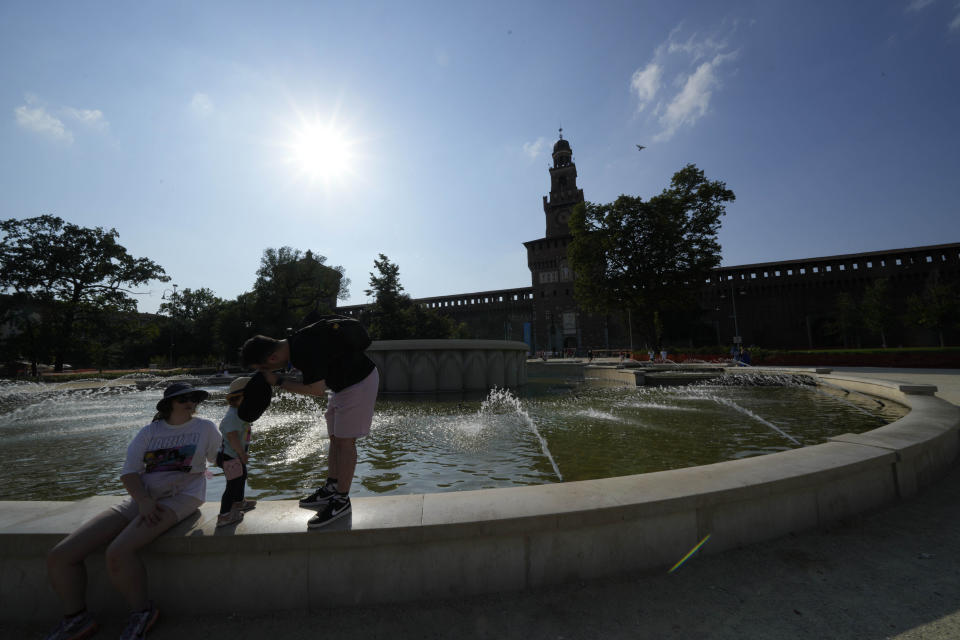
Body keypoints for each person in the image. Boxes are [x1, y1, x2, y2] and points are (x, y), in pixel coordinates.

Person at [44, 382, 221, 640]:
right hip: (143, 497)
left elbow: (220, 458)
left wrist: (239, 449)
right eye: (183, 398)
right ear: (169, 403)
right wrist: (143, 500)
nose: (190, 401)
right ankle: (76, 618)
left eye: (194, 397)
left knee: (118, 552)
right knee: (60, 556)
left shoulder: (205, 427)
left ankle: (142, 611)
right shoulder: (149, 432)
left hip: (182, 497)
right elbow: (128, 472)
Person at [240, 317, 378, 529]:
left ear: (273, 356)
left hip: (358, 384)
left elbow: (316, 391)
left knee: (345, 442)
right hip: (341, 386)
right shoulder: (297, 341)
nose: (268, 371)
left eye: (264, 368)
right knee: (335, 439)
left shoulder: (303, 351)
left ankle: (341, 501)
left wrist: (277, 382)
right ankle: (332, 487)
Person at [216, 376, 257, 527]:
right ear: (237, 398)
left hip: (234, 456)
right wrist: (242, 454)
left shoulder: (239, 412)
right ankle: (224, 515)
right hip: (230, 456)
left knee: (242, 476)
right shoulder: (232, 416)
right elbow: (233, 438)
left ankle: (239, 503)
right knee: (232, 485)